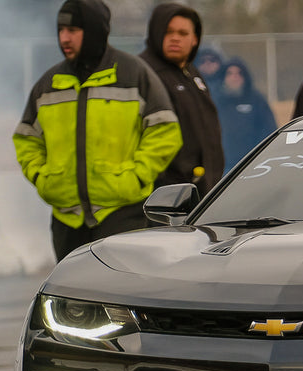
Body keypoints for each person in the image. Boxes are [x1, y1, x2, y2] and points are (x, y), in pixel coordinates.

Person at [14, 0, 182, 262]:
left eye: (73, 30)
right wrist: (43, 178)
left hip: (123, 214)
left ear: (94, 31)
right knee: (72, 298)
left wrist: (136, 176)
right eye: (61, 30)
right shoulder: (49, 83)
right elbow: (26, 138)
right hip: (66, 220)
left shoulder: (133, 73)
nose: (64, 38)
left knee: (121, 295)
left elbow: (165, 131)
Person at [139, 3, 224, 196]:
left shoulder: (192, 74)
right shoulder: (143, 73)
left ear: (195, 39)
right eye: (168, 32)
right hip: (165, 196)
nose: (175, 38)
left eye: (183, 33)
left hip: (203, 190)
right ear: (156, 33)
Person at [214, 57, 277, 166]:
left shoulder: (256, 100)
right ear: (223, 77)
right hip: (222, 164)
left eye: (239, 74)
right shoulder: (215, 101)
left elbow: (269, 129)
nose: (234, 77)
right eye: (230, 73)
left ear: (245, 77)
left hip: (250, 163)